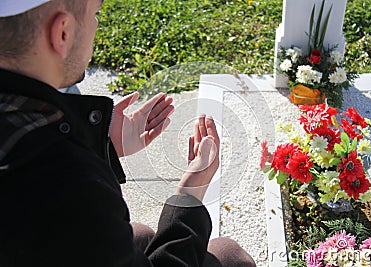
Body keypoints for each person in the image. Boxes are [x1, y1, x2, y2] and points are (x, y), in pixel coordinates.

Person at [0, 1, 256, 266]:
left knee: (142, 235)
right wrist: (190, 195)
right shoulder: (72, 188)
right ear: (62, 32)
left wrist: (102, 143)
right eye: (95, 14)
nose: (97, 25)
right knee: (230, 256)